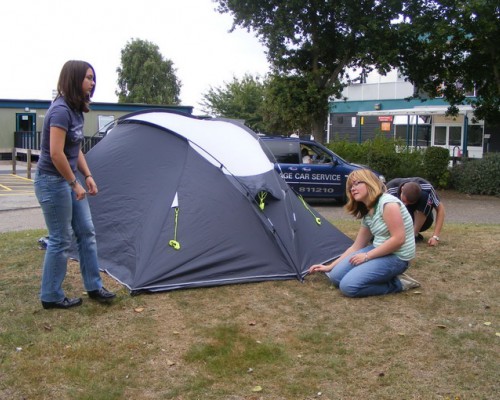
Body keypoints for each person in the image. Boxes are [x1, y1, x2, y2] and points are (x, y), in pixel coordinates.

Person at [34, 60, 116, 310]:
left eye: (93, 78)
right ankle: (51, 295)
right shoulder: (60, 111)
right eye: (88, 78)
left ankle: (94, 286)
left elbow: (75, 147)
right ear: (74, 78)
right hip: (52, 181)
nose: (92, 83)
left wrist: (87, 175)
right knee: (60, 239)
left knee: (87, 232)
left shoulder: (76, 109)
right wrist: (73, 183)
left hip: (67, 179)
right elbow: (56, 154)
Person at [308, 169, 420, 297]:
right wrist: (329, 266)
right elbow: (357, 246)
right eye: (350, 186)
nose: (352, 189)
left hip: (397, 257)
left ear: (369, 183)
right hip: (379, 249)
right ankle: (376, 273)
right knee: (335, 277)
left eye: (356, 183)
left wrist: (367, 256)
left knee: (349, 287)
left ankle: (399, 283)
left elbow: (398, 240)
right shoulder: (368, 211)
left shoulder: (388, 204)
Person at [386, 177, 445, 247]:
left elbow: (440, 209)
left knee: (425, 195)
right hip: (397, 220)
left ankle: (414, 235)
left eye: (409, 203)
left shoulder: (427, 187)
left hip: (423, 220)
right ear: (402, 189)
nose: (405, 205)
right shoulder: (390, 188)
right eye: (404, 201)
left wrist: (435, 237)